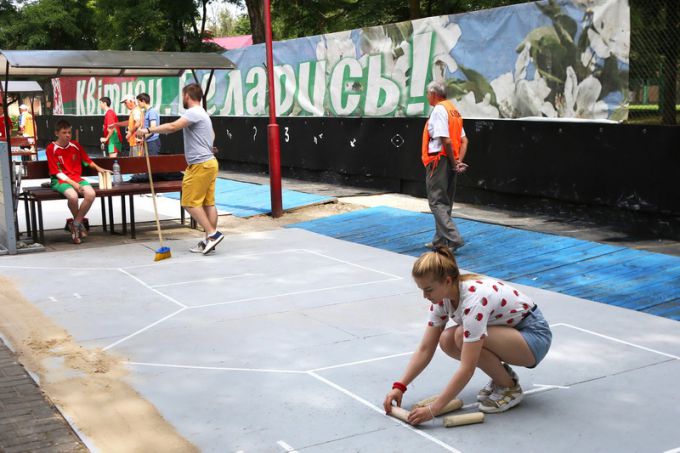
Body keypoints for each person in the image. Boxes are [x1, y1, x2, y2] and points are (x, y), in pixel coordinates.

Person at [383, 247, 552, 425]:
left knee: (459, 336)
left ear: (447, 281)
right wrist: (400, 387)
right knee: (446, 340)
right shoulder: (442, 298)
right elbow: (426, 348)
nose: (425, 296)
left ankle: (509, 388)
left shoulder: (474, 300)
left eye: (429, 289)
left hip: (534, 338)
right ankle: (501, 376)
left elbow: (467, 367)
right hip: (510, 333)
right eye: (422, 289)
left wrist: (434, 409)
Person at [136, 83, 223, 255]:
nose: (182, 98)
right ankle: (209, 240)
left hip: (199, 164)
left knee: (189, 203)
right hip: (209, 162)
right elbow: (211, 134)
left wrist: (148, 130)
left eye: (183, 95)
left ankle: (212, 235)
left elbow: (172, 127)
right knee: (208, 203)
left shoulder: (193, 112)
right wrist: (207, 146)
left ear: (187, 96)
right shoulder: (203, 113)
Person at [46, 119, 111, 244]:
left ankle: (75, 224)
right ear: (57, 133)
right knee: (73, 196)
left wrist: (99, 168)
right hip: (60, 180)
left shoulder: (75, 145)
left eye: (69, 132)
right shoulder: (51, 148)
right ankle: (78, 227)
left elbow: (87, 160)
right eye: (64, 132)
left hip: (77, 179)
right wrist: (74, 184)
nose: (67, 135)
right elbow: (57, 173)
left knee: (91, 194)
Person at [422, 81, 469, 252]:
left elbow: (446, 140)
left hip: (439, 161)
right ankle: (440, 241)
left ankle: (453, 238)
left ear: (433, 94)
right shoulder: (453, 111)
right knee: (445, 202)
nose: (427, 96)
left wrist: (451, 161)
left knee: (436, 201)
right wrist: (456, 162)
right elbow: (464, 141)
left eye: (428, 93)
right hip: (449, 161)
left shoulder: (439, 110)